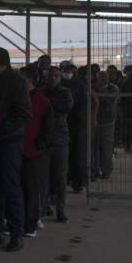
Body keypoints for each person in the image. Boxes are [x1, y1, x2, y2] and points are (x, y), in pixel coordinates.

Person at [0, 48, 31, 251]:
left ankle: (15, 234)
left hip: (8, 143)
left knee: (10, 189)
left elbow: (24, 115)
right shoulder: (2, 83)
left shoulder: (14, 83)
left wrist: (0, 128)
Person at [19, 65, 54, 237]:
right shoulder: (18, 98)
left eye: (23, 77)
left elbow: (48, 128)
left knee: (32, 189)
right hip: (17, 149)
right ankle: (18, 221)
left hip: (33, 152)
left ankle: (30, 223)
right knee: (17, 188)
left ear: (31, 79)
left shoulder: (42, 101)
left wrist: (39, 145)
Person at [42, 66, 73, 223]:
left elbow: (66, 107)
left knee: (60, 177)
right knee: (44, 177)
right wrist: (54, 108)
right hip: (45, 140)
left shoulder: (65, 92)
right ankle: (45, 207)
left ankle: (60, 210)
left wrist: (49, 107)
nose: (53, 78)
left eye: (56, 75)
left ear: (60, 78)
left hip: (60, 139)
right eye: (50, 75)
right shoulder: (42, 92)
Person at [59, 60, 88, 193]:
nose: (67, 72)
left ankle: (77, 182)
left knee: (76, 155)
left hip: (76, 125)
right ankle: (64, 181)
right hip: (61, 125)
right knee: (62, 156)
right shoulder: (57, 84)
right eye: (65, 70)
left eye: (69, 70)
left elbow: (83, 105)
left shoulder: (79, 85)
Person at [92, 71, 119, 180]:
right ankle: (95, 170)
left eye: (105, 78)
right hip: (95, 122)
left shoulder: (113, 89)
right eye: (101, 78)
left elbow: (109, 100)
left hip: (108, 123)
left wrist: (97, 96)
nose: (103, 80)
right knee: (95, 148)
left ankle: (106, 170)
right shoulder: (92, 87)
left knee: (106, 148)